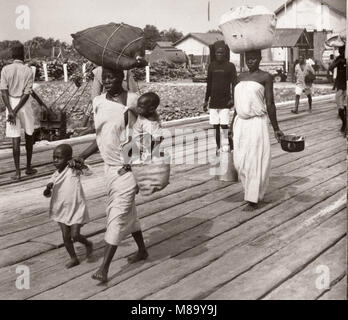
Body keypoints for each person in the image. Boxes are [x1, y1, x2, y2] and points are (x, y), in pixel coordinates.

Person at [78, 68, 148, 283]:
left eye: (112, 77)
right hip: (108, 168)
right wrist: (82, 156)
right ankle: (142, 250)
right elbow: (101, 137)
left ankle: (104, 268)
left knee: (116, 216)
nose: (107, 81)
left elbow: (147, 135)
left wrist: (130, 161)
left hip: (125, 169)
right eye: (104, 78)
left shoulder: (134, 101)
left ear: (121, 78)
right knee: (129, 213)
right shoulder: (99, 101)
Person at [230, 50, 284, 211]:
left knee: (255, 159)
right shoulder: (239, 78)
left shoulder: (265, 77)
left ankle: (253, 197)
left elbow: (270, 103)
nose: (250, 61)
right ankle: (249, 190)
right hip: (240, 122)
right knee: (239, 161)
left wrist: (276, 128)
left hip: (256, 122)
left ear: (260, 59)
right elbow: (237, 104)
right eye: (248, 59)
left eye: (254, 58)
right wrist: (232, 126)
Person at [43, 144, 93, 268]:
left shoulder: (73, 169)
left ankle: (87, 243)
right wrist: (47, 189)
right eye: (54, 157)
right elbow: (47, 194)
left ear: (68, 158)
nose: (55, 160)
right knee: (66, 237)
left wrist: (78, 163)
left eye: (59, 158)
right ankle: (73, 257)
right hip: (61, 209)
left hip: (76, 208)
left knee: (75, 235)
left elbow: (88, 172)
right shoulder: (54, 175)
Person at [0, 43, 37, 180]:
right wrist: (16, 110)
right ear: (23, 56)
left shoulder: (5, 69)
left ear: (12, 56)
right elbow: (27, 93)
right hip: (24, 104)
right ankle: (28, 167)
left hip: (11, 102)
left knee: (15, 138)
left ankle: (17, 172)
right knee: (29, 134)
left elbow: (3, 92)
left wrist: (11, 110)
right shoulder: (28, 71)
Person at [203, 41, 237, 154]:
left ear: (225, 53)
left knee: (224, 125)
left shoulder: (230, 66)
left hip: (225, 102)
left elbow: (234, 84)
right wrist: (206, 100)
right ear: (215, 53)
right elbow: (209, 84)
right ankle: (218, 146)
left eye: (222, 53)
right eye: (217, 52)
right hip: (214, 102)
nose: (219, 55)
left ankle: (230, 146)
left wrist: (233, 99)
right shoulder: (211, 66)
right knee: (215, 126)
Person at [125, 92, 163, 161]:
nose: (137, 108)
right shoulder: (144, 113)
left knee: (145, 161)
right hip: (137, 142)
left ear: (151, 109)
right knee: (126, 150)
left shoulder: (151, 123)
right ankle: (128, 164)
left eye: (140, 107)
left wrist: (154, 151)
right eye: (137, 105)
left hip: (145, 147)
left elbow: (158, 138)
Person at [329, 45, 346, 135]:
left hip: (341, 85)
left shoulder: (339, 59)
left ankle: (344, 124)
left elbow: (330, 67)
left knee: (340, 106)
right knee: (344, 105)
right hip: (345, 85)